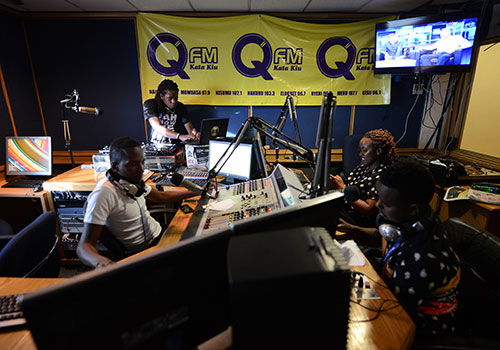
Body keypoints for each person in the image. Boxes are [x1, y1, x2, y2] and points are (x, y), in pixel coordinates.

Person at [337, 161, 461, 335]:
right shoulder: (408, 219)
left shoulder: (424, 254)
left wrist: (351, 282)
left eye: (385, 204)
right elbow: (383, 237)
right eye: (378, 198)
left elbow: (390, 304)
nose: (378, 205)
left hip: (418, 321)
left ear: (412, 210)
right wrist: (354, 230)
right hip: (394, 287)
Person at [77, 136, 197, 269]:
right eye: (132, 164)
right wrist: (103, 263)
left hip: (161, 233)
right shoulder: (103, 194)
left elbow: (161, 197)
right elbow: (84, 247)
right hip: (145, 251)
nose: (141, 169)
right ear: (115, 166)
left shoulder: (133, 182)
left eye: (142, 162)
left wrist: (196, 192)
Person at [330, 129, 396, 227]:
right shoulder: (364, 166)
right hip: (345, 208)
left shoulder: (383, 176)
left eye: (364, 150)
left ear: (378, 151)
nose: (360, 154)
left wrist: (342, 189)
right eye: (360, 150)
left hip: (358, 221)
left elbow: (368, 209)